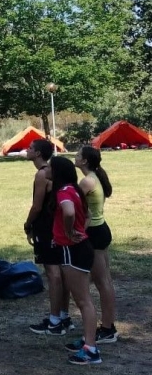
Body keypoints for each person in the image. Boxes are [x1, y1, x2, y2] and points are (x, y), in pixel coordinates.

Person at [45, 156, 101, 365]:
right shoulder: (74, 189)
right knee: (84, 299)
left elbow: (68, 212)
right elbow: (85, 215)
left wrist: (68, 231)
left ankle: (91, 350)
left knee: (84, 301)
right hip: (81, 248)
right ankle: (89, 340)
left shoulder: (63, 192)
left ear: (57, 171)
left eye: (50, 167)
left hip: (73, 249)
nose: (47, 169)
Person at [24, 139, 73, 335]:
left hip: (46, 227)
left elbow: (37, 206)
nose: (26, 150)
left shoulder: (42, 174)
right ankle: (64, 316)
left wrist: (28, 225)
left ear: (38, 154)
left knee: (53, 274)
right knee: (61, 272)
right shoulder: (56, 170)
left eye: (29, 148)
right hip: (58, 226)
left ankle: (54, 322)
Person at [74, 145, 117, 344]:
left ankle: (108, 329)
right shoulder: (94, 177)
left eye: (78, 155)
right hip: (100, 230)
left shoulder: (87, 181)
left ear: (84, 161)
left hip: (95, 233)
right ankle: (108, 327)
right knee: (104, 280)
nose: (75, 157)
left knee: (102, 282)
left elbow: (71, 203)